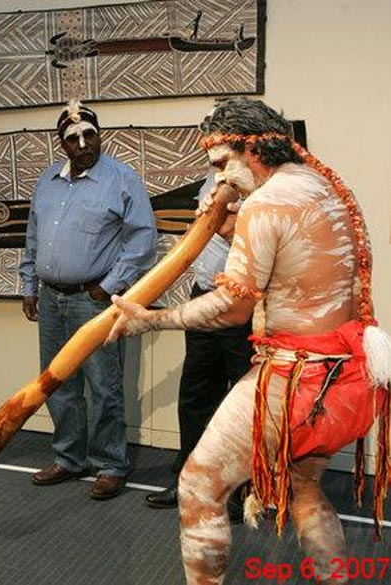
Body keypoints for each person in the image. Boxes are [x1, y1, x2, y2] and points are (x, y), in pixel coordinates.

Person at [106, 98, 391, 583]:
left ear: (249, 149)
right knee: (304, 492)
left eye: (222, 165)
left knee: (197, 486)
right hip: (345, 377)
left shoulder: (265, 202)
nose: (219, 182)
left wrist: (151, 319)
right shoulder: (327, 187)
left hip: (293, 382)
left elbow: (230, 308)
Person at [19, 99, 157, 500]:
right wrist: (30, 285)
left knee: (103, 385)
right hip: (51, 300)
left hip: (93, 301)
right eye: (73, 138)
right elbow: (32, 236)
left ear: (100, 135)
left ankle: (110, 464)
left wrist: (112, 283)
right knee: (57, 381)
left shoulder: (122, 179)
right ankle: (69, 458)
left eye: (89, 134)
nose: (83, 143)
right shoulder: (47, 181)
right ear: (62, 145)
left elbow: (143, 239)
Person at [145, 168, 254, 523]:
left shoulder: (264, 180)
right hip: (203, 294)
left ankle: (242, 494)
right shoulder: (212, 177)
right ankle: (189, 483)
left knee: (241, 403)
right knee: (195, 394)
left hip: (241, 302)